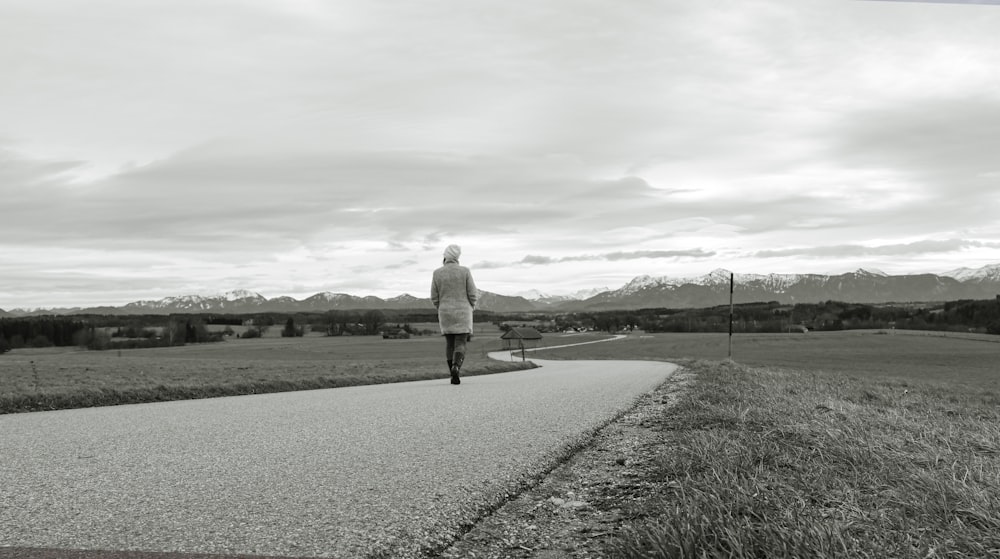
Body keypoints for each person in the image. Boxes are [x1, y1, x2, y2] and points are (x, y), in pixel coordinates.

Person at [430, 244, 478, 385]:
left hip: (445, 312)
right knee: (460, 342)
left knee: (449, 343)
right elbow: (472, 293)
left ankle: (451, 371)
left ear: (445, 256)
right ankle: (456, 367)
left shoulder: (437, 273)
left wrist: (441, 307)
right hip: (463, 311)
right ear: (458, 257)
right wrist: (471, 307)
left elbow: (434, 296)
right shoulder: (465, 272)